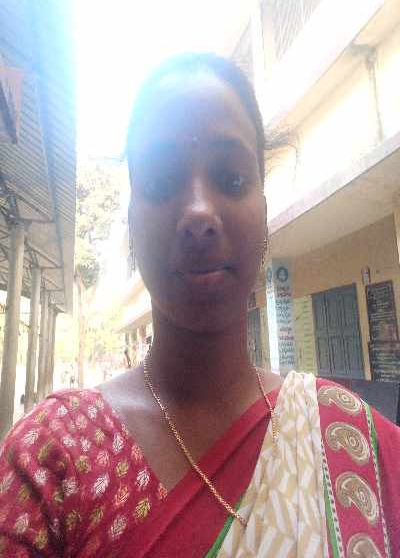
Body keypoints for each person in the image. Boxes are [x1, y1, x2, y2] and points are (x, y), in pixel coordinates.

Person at [0, 53, 399, 557]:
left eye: (231, 180)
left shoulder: (353, 444)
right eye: (161, 182)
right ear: (132, 223)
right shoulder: (52, 461)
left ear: (263, 208)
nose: (198, 212)